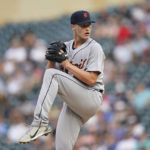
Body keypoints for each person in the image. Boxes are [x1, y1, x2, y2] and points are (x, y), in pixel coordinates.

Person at [19, 10, 105, 150]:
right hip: (74, 104)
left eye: (89, 24)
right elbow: (49, 76)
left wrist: (66, 64)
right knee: (62, 147)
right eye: (83, 25)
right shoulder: (65, 47)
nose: (87, 28)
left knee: (53, 75)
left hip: (91, 96)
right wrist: (51, 60)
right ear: (73, 26)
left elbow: (91, 80)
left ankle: (40, 123)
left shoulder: (95, 48)